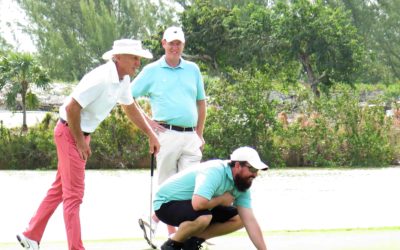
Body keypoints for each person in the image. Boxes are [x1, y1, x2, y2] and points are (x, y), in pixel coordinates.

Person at [16, 39, 160, 250]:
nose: (137, 63)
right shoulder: (101, 77)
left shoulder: (123, 79)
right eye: (134, 58)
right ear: (118, 57)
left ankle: (31, 234)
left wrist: (151, 134)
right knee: (74, 196)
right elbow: (73, 107)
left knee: (60, 189)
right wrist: (80, 142)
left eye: (139, 58)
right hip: (70, 133)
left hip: (78, 134)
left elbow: (130, 108)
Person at [131, 26, 206, 238]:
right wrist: (149, 124)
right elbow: (128, 97)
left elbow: (201, 103)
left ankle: (157, 223)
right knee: (167, 188)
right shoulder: (152, 70)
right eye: (171, 43)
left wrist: (199, 133)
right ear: (163, 43)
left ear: (183, 45)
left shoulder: (193, 69)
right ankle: (173, 235)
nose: (174, 47)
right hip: (166, 134)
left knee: (192, 186)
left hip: (191, 136)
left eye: (178, 43)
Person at [155, 146, 268, 250]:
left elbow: (250, 221)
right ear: (238, 166)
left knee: (240, 218)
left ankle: (192, 242)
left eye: (257, 171)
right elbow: (198, 203)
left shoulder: (241, 184)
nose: (255, 174)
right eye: (252, 169)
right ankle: (172, 245)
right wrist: (222, 199)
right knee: (204, 217)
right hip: (166, 204)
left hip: (193, 206)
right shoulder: (215, 170)